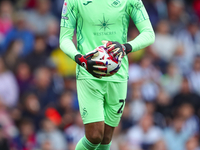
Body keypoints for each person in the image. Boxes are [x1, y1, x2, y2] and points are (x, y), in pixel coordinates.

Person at [59, 0, 155, 149]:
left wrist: (125, 47)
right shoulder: (73, 1)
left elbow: (149, 33)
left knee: (106, 137)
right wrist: (80, 59)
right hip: (89, 73)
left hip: (118, 75)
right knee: (94, 135)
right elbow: (64, 38)